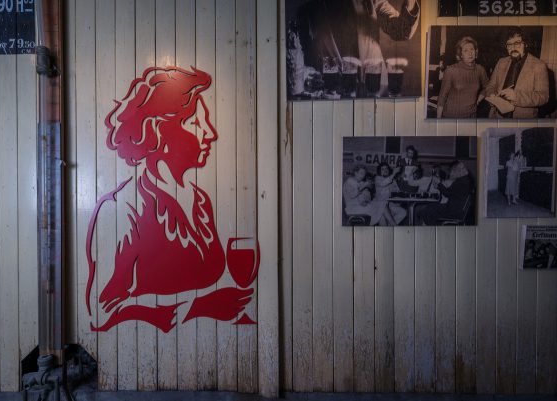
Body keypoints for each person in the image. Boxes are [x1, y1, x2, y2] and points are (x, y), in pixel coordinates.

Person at [85, 67, 255, 332]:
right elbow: (99, 313)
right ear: (159, 132)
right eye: (196, 123)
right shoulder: (122, 210)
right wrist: (197, 307)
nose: (210, 133)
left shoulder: (200, 202)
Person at [295, 0, 420, 92]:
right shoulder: (307, 11)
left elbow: (401, 31)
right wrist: (307, 74)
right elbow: (299, 59)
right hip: (333, 94)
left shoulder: (373, 2)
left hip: (375, 90)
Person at [484, 27, 549, 118]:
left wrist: (516, 96)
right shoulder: (501, 62)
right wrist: (492, 95)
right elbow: (491, 86)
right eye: (509, 44)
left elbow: (543, 97)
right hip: (497, 116)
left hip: (523, 119)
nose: (513, 48)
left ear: (526, 44)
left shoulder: (539, 65)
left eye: (517, 43)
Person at [437, 36, 488, 118]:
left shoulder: (480, 69)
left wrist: (478, 100)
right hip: (452, 116)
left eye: (472, 49)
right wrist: (438, 120)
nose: (470, 53)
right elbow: (442, 97)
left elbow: (487, 87)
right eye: (465, 50)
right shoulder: (451, 70)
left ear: (476, 52)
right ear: (460, 55)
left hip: (472, 116)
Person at [417, 161, 473, 225]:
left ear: (458, 170)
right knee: (430, 208)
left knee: (428, 210)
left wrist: (439, 184)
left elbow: (447, 193)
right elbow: (449, 192)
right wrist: (439, 186)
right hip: (454, 209)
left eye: (452, 171)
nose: (451, 173)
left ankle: (432, 227)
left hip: (453, 212)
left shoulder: (461, 182)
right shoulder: (464, 180)